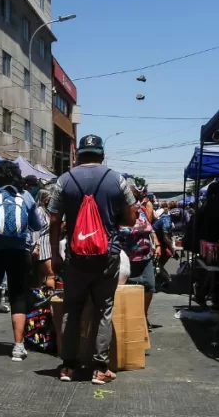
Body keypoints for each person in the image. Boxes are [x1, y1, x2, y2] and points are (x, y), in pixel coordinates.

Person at [50, 134, 137, 384]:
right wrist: (108, 220)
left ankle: (67, 366)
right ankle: (100, 369)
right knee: (103, 308)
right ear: (102, 154)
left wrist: (55, 254)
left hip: (75, 257)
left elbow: (54, 219)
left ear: (78, 155)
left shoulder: (64, 180)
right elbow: (131, 219)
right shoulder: (116, 179)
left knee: (72, 309)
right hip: (106, 255)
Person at [0, 161, 42, 361]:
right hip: (20, 252)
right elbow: (37, 225)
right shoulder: (25, 196)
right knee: (18, 297)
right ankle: (18, 346)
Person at [123, 178, 162, 318]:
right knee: (125, 289)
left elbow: (150, 228)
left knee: (149, 286)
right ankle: (129, 318)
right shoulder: (117, 212)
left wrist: (157, 244)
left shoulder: (140, 209)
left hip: (145, 257)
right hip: (126, 259)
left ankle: (142, 315)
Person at [31, 186, 56, 289]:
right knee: (51, 273)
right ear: (46, 200)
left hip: (47, 245)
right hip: (43, 246)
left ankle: (39, 301)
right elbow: (36, 230)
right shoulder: (40, 212)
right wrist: (36, 246)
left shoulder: (47, 212)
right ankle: (49, 299)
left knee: (40, 276)